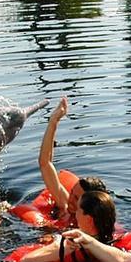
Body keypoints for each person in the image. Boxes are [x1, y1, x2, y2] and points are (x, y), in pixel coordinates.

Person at [38, 96, 108, 228]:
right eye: (72, 194)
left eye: (76, 198)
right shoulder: (65, 206)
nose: (70, 199)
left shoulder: (95, 229)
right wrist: (53, 121)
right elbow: (45, 163)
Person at [19, 190, 116, 262]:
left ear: (89, 219)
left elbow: (25, 260)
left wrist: (57, 242)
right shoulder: (111, 240)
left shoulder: (72, 246)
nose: (76, 213)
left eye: (78, 210)